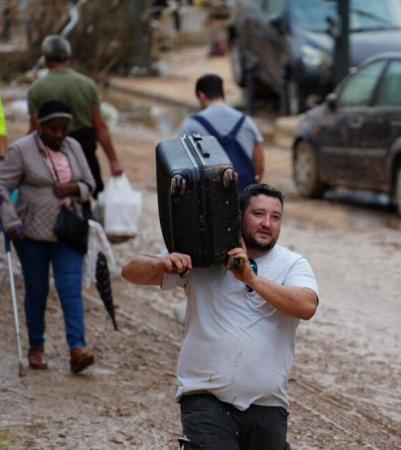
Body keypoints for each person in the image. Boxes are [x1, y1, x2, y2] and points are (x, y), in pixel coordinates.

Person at [121, 183, 319, 449]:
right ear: (237, 217)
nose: (267, 224)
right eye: (258, 214)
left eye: (275, 217)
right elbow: (130, 272)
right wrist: (160, 262)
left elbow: (307, 306)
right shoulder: (204, 257)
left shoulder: (292, 263)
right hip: (206, 399)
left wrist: (251, 278)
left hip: (269, 404)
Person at [0, 100, 96, 373]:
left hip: (68, 230)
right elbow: (2, 186)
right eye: (53, 129)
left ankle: (77, 349)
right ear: (40, 126)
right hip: (30, 233)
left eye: (63, 128)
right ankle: (36, 348)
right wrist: (10, 220)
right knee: (37, 289)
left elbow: (90, 183)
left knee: (70, 288)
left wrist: (73, 188)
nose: (59, 134)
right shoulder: (21, 150)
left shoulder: (74, 147)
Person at [27, 35, 123, 197]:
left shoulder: (37, 89)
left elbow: (34, 129)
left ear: (45, 59)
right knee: (89, 195)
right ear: (69, 57)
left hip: (53, 158)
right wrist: (113, 161)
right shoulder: (87, 85)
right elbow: (100, 126)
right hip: (85, 153)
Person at [180, 73, 264, 190]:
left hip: (211, 195)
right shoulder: (245, 120)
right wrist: (255, 186)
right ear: (223, 94)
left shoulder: (192, 125)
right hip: (244, 190)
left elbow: (185, 166)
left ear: (201, 95)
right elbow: (259, 159)